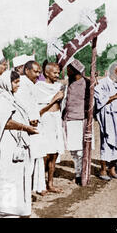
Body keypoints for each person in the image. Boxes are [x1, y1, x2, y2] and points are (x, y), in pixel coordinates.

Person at [0, 70, 38, 218]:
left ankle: (18, 208)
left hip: (16, 143)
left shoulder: (12, 98)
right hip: (6, 143)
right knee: (7, 177)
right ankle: (5, 210)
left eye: (19, 82)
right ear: (7, 83)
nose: (18, 85)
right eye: (15, 82)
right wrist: (25, 127)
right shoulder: (1, 100)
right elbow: (5, 123)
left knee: (18, 177)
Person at [15, 60, 47, 196]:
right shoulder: (22, 83)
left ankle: (38, 186)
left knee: (37, 156)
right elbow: (23, 104)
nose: (38, 74)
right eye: (35, 71)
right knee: (29, 158)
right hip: (27, 125)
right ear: (26, 70)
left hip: (35, 124)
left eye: (39, 72)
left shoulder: (32, 84)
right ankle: (25, 189)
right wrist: (30, 118)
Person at [94, 63, 117, 181]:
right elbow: (100, 101)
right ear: (113, 71)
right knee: (107, 143)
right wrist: (114, 97)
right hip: (108, 119)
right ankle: (103, 169)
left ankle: (112, 169)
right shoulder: (102, 84)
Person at [35, 62, 65, 193]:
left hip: (56, 119)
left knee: (55, 153)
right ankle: (40, 184)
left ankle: (50, 183)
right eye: (55, 73)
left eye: (58, 73)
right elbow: (39, 111)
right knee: (45, 153)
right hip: (46, 119)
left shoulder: (59, 86)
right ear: (46, 73)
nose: (57, 75)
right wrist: (54, 99)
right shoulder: (38, 87)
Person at [62, 59, 90, 186]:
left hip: (81, 120)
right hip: (70, 120)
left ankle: (82, 173)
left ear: (75, 70)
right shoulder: (69, 83)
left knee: (80, 150)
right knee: (73, 151)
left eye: (69, 69)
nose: (67, 72)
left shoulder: (87, 83)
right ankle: (78, 172)